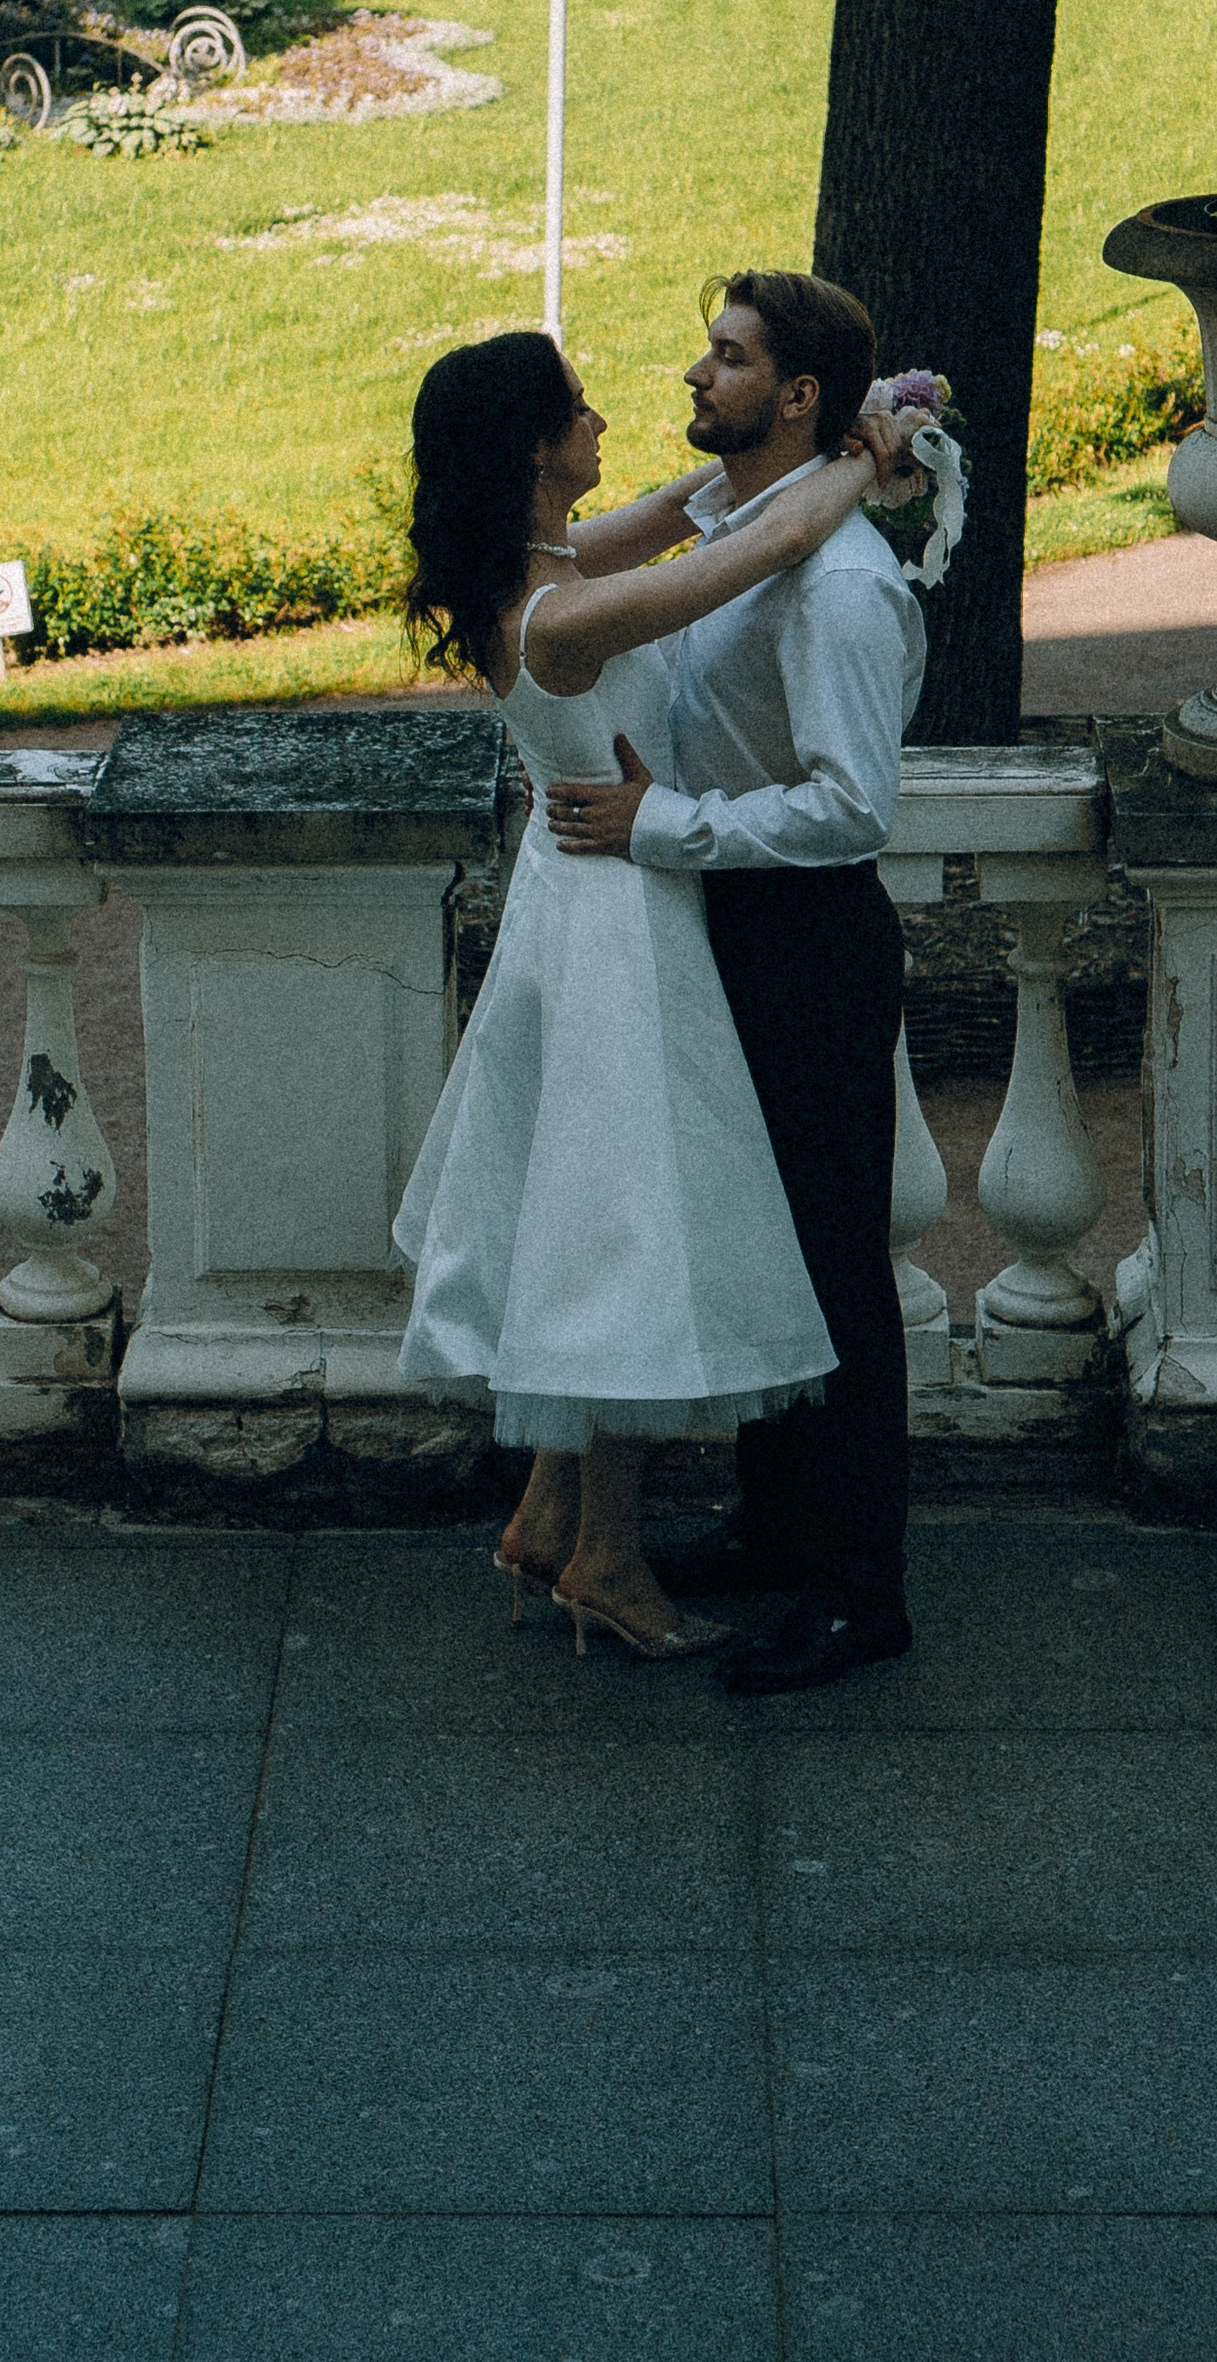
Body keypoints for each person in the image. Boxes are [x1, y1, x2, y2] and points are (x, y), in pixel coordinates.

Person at [394, 328, 918, 1662]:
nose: (605, 416)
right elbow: (742, 557)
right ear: (531, 450)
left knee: (593, 1217)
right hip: (623, 912)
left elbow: (700, 505)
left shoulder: (553, 562)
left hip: (582, 901)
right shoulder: (565, 612)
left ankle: (551, 1516)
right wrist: (865, 461)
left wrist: (844, 419)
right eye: (576, 410)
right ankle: (605, 1557)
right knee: (628, 1229)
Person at [545, 271, 928, 1697]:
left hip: (805, 938)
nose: (697, 376)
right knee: (753, 1242)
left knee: (832, 1267)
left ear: (801, 395)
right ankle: (777, 1528)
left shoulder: (837, 584)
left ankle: (856, 1590)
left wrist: (667, 829)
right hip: (724, 924)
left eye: (728, 358)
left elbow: (853, 809)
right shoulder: (741, 525)